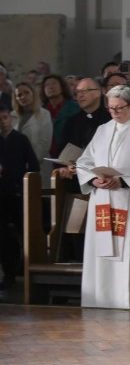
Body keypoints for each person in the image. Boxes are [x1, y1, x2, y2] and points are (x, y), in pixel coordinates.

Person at [75, 85, 130, 309]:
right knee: (101, 253)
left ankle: (129, 300)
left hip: (129, 198)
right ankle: (98, 300)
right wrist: (94, 180)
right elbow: (84, 161)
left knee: (128, 253)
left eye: (119, 108)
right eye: (110, 108)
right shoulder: (103, 129)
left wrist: (122, 180)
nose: (114, 112)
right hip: (102, 198)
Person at [0, 104, 39, 289]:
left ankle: (25, 270)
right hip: (0, 194)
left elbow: (33, 166)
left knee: (22, 232)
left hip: (17, 193)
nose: (2, 122)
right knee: (3, 235)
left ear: (11, 118)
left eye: (5, 117)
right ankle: (8, 272)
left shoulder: (20, 139)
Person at [56, 78, 111, 184]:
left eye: (84, 91)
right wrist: (65, 165)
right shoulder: (71, 122)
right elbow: (62, 150)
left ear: (98, 93)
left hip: (103, 178)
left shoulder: (110, 119)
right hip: (75, 180)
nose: (80, 96)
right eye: (77, 92)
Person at [12, 82, 52, 166]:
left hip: (39, 163)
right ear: (16, 99)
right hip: (16, 164)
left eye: (26, 92)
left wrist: (31, 161)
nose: (23, 97)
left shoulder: (44, 114)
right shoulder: (12, 115)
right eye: (19, 95)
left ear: (33, 93)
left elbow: (45, 142)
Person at [41, 74, 80, 157]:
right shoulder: (41, 111)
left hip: (70, 154)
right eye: (47, 85)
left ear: (62, 86)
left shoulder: (75, 107)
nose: (51, 87)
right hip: (47, 156)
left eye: (54, 83)